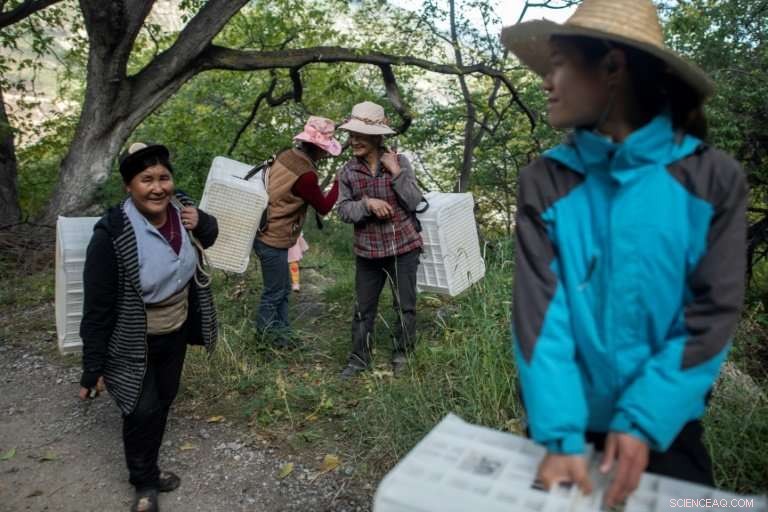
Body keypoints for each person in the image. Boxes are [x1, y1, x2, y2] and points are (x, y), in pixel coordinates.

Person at [502, 0, 747, 507]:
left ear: (612, 67)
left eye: (559, 65)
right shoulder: (545, 180)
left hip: (665, 428)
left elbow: (712, 311)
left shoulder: (711, 180)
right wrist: (562, 434)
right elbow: (542, 316)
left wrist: (643, 418)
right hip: (561, 427)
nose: (546, 82)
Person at [78, 142, 219, 512]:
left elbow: (211, 234)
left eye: (163, 178)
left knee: (164, 400)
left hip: (175, 327)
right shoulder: (111, 234)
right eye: (146, 180)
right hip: (130, 338)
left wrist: (202, 222)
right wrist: (92, 367)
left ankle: (149, 468)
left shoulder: (182, 208)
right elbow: (97, 307)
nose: (158, 188)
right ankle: (144, 482)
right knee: (141, 410)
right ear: (129, 186)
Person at [336, 101, 424, 378]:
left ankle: (402, 354)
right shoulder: (348, 172)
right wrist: (367, 204)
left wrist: (396, 173)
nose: (354, 141)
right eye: (352, 135)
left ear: (377, 136)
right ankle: (358, 359)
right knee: (363, 309)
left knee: (405, 305)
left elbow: (414, 201)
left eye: (360, 135)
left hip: (404, 246)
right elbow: (342, 210)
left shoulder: (399, 162)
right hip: (368, 251)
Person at [254, 116, 341, 348]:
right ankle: (262, 341)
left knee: (281, 290)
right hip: (274, 236)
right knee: (274, 293)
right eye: (325, 150)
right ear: (318, 149)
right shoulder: (306, 175)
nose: (325, 155)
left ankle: (283, 337)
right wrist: (338, 184)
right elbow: (323, 207)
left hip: (263, 228)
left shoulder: (286, 155)